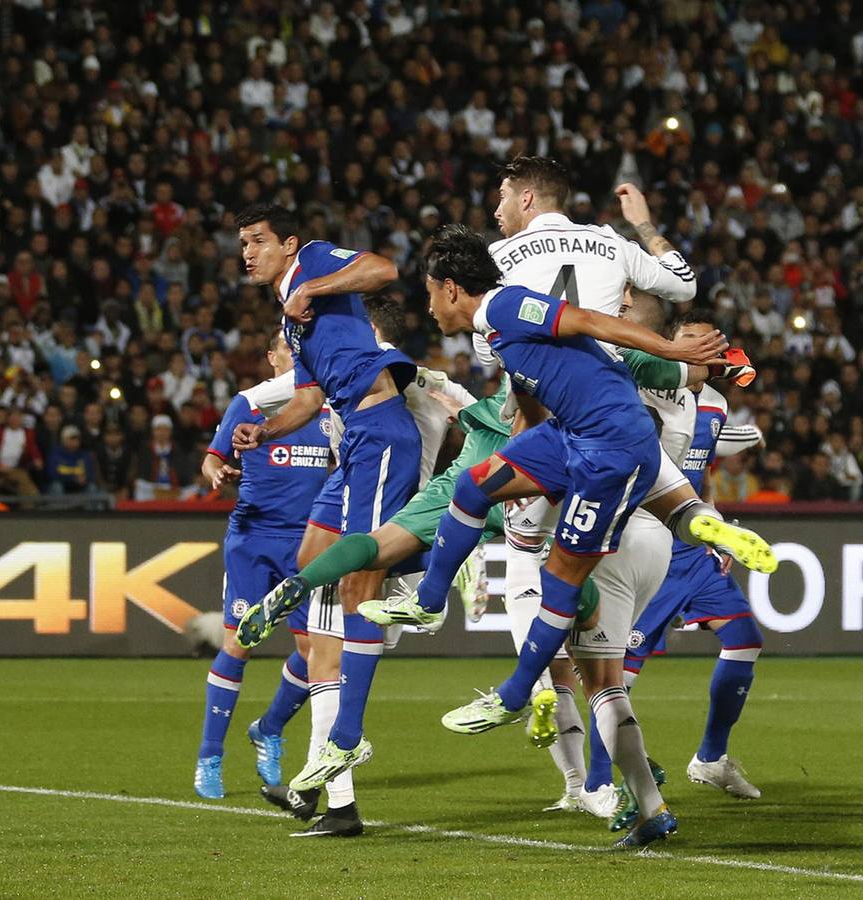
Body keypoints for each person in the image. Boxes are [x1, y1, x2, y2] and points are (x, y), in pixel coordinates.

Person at [367, 226, 742, 848]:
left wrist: (674, 353)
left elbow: (596, 322)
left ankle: (517, 693)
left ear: (452, 288)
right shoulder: (495, 331)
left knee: (564, 581)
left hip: (611, 452)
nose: (427, 307)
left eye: (430, 293)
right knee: (475, 485)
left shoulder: (509, 304)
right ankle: (430, 597)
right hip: (572, 437)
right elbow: (547, 382)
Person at [228, 203, 420, 828]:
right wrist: (265, 429)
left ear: (289, 243)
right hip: (351, 445)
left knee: (351, 591)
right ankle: (325, 777)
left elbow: (384, 267)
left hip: (380, 433)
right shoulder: (294, 327)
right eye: (241, 245)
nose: (247, 253)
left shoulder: (311, 267)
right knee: (310, 580)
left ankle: (339, 763)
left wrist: (312, 283)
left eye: (257, 241)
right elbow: (308, 397)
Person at [603, 311, 770, 807]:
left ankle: (711, 758)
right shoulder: (646, 392)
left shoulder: (715, 403)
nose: (701, 349)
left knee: (744, 639)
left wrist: (717, 530)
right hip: (647, 540)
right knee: (617, 676)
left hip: (694, 546)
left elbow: (702, 478)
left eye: (709, 343)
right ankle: (599, 781)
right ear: (668, 347)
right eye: (690, 340)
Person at [192, 331, 331, 804]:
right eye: (289, 353)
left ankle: (269, 728)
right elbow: (211, 462)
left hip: (310, 544)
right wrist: (219, 473)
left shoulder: (326, 409)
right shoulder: (250, 405)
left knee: (315, 654)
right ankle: (210, 756)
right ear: (272, 358)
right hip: (255, 540)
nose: (296, 362)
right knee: (239, 643)